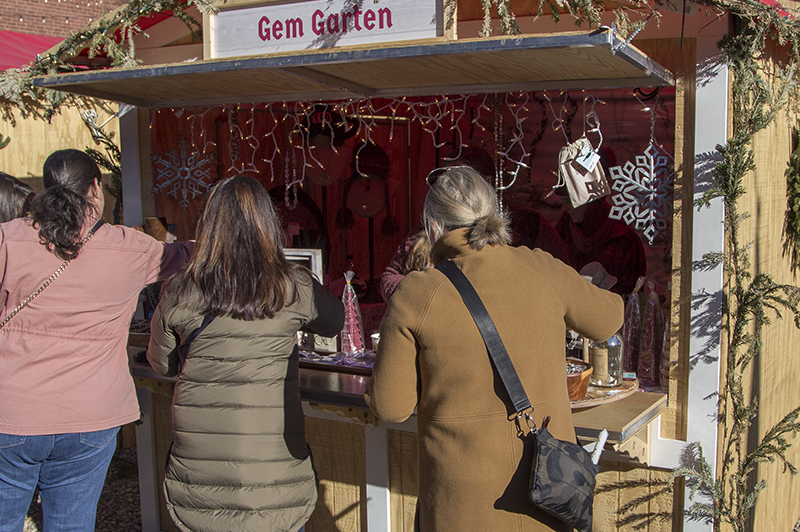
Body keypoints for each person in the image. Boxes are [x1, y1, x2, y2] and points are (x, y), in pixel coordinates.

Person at [365, 166, 623, 532]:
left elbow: (389, 406)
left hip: (464, 509)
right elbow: (609, 318)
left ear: (433, 226)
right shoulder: (540, 266)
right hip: (550, 498)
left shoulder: (417, 293)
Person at [0, 149, 193, 532]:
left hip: (13, 412)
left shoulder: (7, 239)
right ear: (95, 187)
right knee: (73, 524)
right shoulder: (131, 248)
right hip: (92, 415)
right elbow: (187, 255)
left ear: (48, 188)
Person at [147, 176, 344, 532]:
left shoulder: (179, 287)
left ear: (207, 227)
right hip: (273, 469)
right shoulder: (293, 284)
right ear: (269, 226)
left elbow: (162, 364)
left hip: (202, 471)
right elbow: (334, 322)